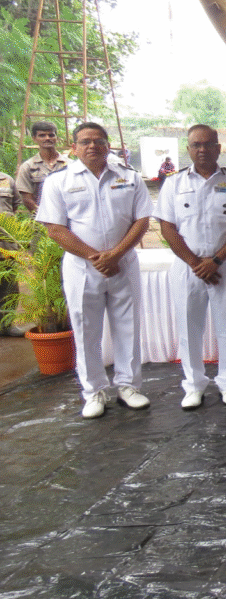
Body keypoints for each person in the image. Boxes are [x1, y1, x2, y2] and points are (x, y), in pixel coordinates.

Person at [36, 122, 152, 418]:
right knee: (86, 329)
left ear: (108, 146)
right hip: (82, 268)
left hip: (123, 264)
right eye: (85, 141)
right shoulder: (58, 181)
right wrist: (95, 257)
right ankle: (93, 392)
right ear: (73, 147)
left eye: (99, 141)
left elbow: (141, 221)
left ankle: (129, 386)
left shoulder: (129, 177)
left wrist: (116, 255)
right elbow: (55, 229)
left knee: (128, 326)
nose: (92, 146)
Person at [155, 125, 226, 410]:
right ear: (188, 149)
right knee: (189, 328)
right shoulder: (173, 184)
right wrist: (196, 263)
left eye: (208, 144)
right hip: (188, 267)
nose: (202, 150)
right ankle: (194, 385)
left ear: (218, 148)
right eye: (196, 145)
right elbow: (167, 227)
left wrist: (216, 260)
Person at [17, 121, 69, 213]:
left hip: (69, 216)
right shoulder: (28, 167)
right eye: (42, 135)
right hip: (40, 218)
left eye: (51, 135)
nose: (47, 138)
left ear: (56, 138)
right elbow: (27, 199)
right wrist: (45, 216)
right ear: (34, 138)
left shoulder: (70, 165)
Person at [0, 169, 23, 334]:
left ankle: (6, 326)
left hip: (6, 244)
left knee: (9, 286)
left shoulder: (7, 179)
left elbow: (14, 206)